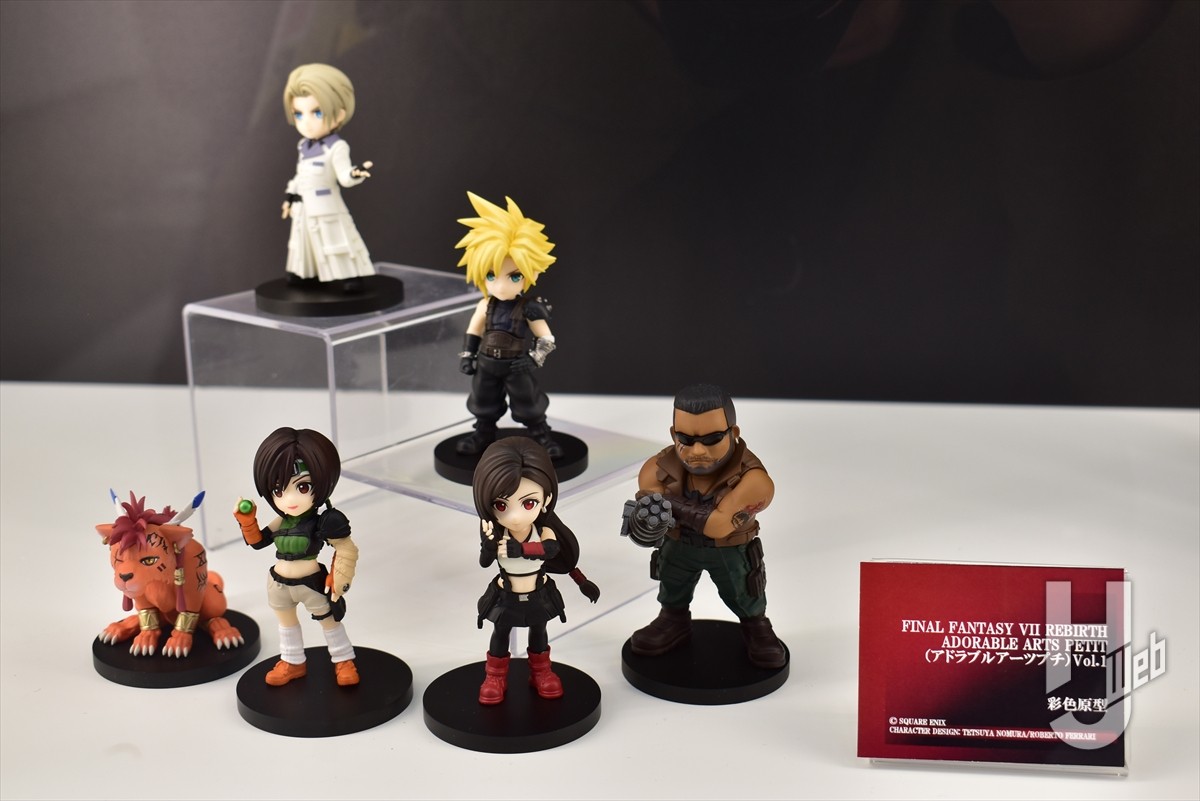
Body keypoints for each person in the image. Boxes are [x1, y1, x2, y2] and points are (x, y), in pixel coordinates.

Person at [623, 383, 785, 669]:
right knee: (672, 586)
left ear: (733, 433)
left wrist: (667, 503)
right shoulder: (657, 466)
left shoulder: (753, 479)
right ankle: (673, 621)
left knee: (745, 595)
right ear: (673, 434)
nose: (698, 450)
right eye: (685, 439)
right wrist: (644, 524)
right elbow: (650, 512)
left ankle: (757, 628)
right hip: (678, 545)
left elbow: (718, 526)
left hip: (729, 550)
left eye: (712, 439)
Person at [473, 438, 599, 704]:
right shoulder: (497, 532)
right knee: (500, 633)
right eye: (502, 505)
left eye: (528, 503)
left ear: (546, 499)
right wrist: (488, 546)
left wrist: (521, 549)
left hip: (538, 592)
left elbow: (550, 549)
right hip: (506, 593)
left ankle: (541, 672)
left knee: (539, 632)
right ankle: (495, 676)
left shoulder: (543, 531)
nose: (515, 516)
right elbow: (485, 562)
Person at [234, 427, 361, 686]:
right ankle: (293, 662)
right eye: (278, 490)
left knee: (329, 622)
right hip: (279, 583)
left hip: (312, 582)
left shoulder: (324, 520)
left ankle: (343, 660)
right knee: (286, 624)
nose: (289, 499)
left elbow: (346, 548)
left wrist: (339, 577)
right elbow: (258, 542)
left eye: (303, 486)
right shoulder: (280, 520)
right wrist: (247, 522)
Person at [454, 192, 563, 458]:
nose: (501, 286)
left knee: (529, 404)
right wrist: (467, 355)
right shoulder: (485, 305)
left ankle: (541, 435)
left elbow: (547, 338)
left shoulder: (529, 307)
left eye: (514, 276)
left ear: (530, 273)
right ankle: (483, 433)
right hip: (486, 363)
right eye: (491, 275)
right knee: (483, 402)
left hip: (516, 365)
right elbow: (473, 330)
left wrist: (534, 358)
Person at [280, 63, 375, 293]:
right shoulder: (303, 146)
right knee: (304, 243)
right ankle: (304, 273)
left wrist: (355, 173)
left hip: (326, 204)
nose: (306, 122)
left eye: (317, 113)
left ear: (339, 113)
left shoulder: (337, 147)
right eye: (299, 114)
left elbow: (344, 176)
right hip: (304, 206)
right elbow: (300, 174)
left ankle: (349, 276)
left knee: (335, 240)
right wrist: (290, 198)